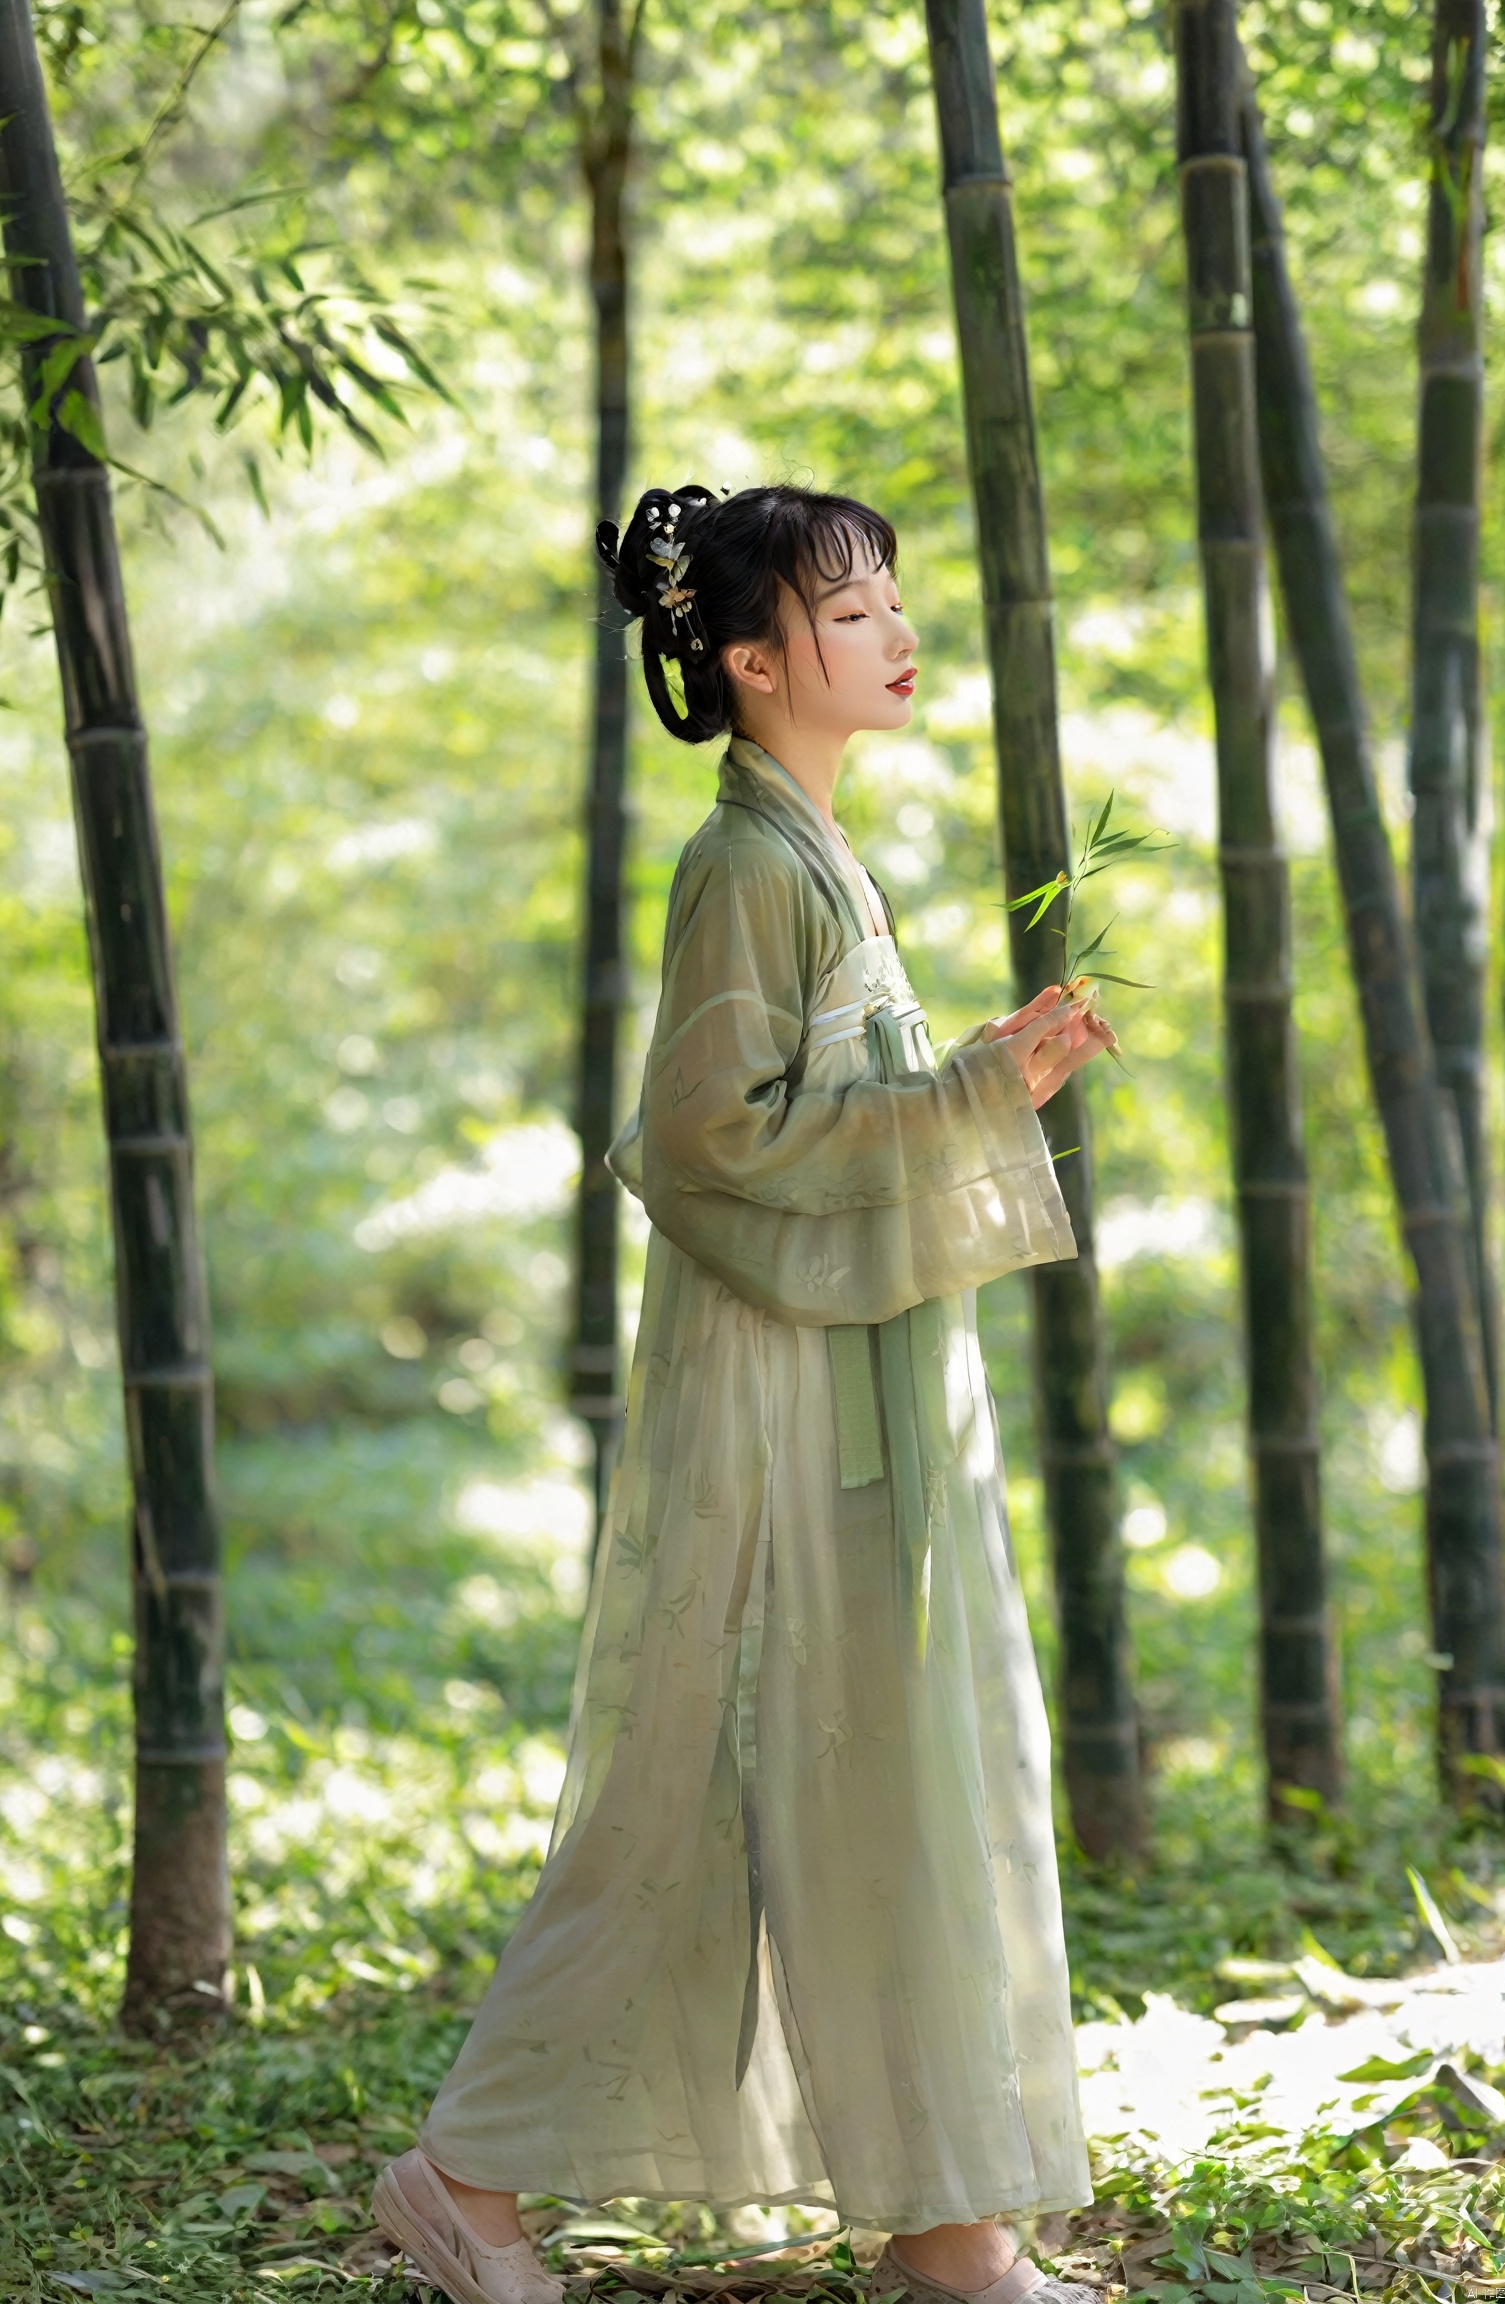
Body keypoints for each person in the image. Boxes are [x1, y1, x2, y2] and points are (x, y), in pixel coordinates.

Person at [373, 483, 1115, 2304]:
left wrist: (976, 1076)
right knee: (699, 1780)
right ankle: (467, 2181)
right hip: (776, 1396)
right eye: (853, 614)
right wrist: (964, 1103)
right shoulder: (746, 868)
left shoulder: (819, 852)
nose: (894, 634)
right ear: (757, 661)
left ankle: (949, 2224)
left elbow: (819, 1115)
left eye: (889, 606)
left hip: (857, 1374)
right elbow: (708, 1143)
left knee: (894, 1771)